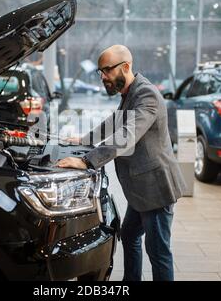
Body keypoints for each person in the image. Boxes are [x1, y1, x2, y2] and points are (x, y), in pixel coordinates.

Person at [56, 45, 186, 281]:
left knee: (158, 253)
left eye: (106, 70)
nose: (103, 77)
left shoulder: (146, 95)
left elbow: (126, 136)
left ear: (125, 66)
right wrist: (85, 140)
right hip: (140, 189)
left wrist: (87, 161)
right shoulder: (131, 92)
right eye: (100, 72)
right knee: (129, 235)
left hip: (155, 189)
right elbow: (115, 121)